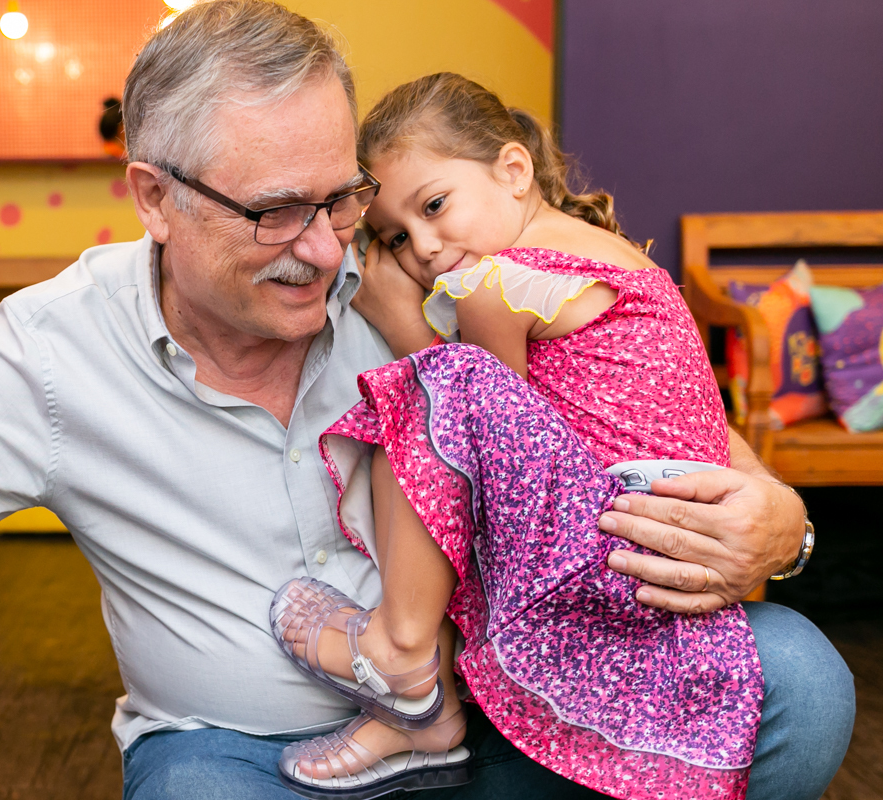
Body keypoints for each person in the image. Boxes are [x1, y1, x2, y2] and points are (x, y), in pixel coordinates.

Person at [0, 3, 853, 799]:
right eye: (271, 211)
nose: (321, 247)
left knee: (796, 679)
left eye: (341, 199)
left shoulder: (414, 277)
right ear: (153, 194)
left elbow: (657, 429)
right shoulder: (48, 351)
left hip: (498, 710)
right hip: (240, 756)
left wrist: (782, 523)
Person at [269, 73, 766, 800]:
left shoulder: (498, 285)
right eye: (398, 238)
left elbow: (486, 444)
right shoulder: (602, 249)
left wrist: (397, 320)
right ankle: (425, 687)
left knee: (433, 388)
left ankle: (402, 650)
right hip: (661, 544)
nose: (428, 248)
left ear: (512, 170)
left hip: (619, 546)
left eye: (435, 206)